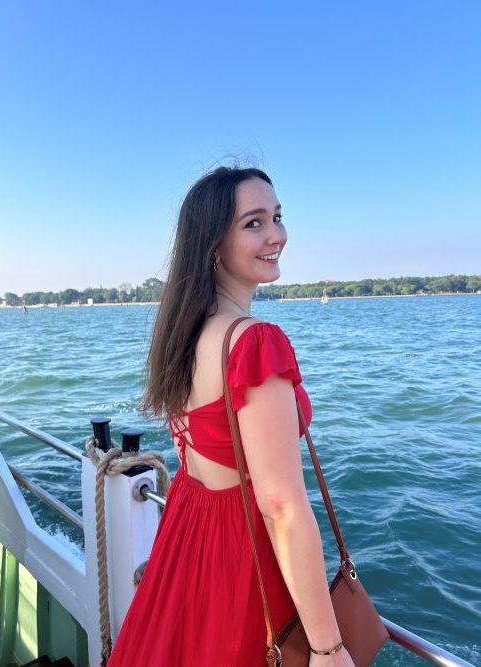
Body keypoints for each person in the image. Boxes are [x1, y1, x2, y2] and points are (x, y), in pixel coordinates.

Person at [107, 167, 354, 666]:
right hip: (245, 560)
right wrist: (328, 648)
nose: (276, 235)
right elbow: (281, 505)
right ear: (213, 244)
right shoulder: (253, 342)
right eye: (253, 223)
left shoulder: (186, 337)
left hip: (189, 541)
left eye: (277, 217)